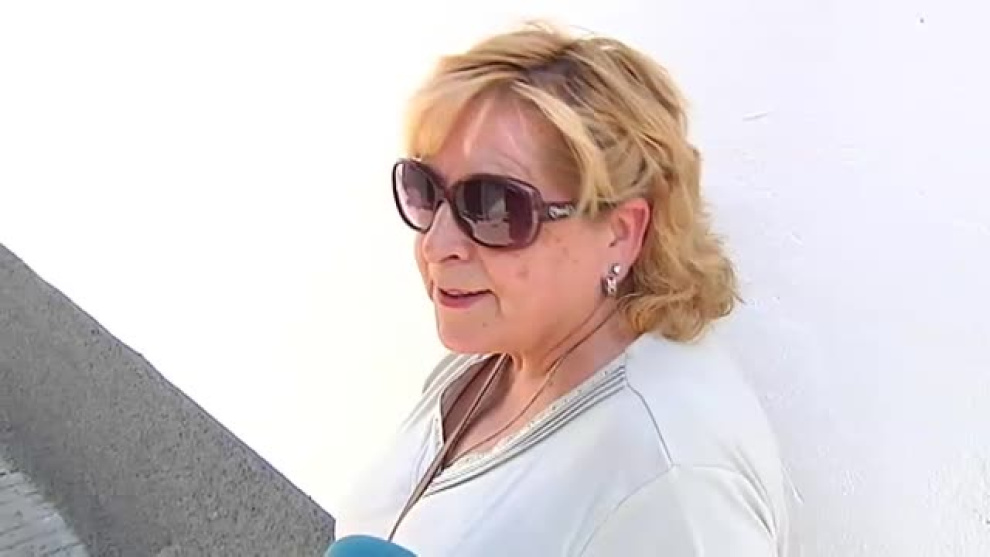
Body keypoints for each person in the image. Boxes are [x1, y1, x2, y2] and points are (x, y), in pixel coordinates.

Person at [332, 21, 797, 556]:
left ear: (620, 233)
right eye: (424, 190)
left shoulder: (672, 479)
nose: (437, 244)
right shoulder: (500, 357)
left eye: (492, 207)